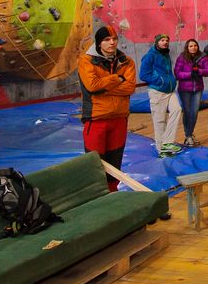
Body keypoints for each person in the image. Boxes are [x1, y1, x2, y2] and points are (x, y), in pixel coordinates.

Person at [78, 25, 136, 192]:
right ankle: (96, 193)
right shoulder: (86, 61)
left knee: (114, 159)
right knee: (95, 161)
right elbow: (92, 86)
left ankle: (112, 191)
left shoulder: (127, 61)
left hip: (119, 118)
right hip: (96, 118)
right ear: (99, 43)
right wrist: (117, 78)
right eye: (106, 40)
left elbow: (129, 87)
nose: (112, 43)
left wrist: (105, 85)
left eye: (114, 39)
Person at [138, 34, 183, 157]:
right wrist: (160, 80)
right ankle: (162, 150)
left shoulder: (165, 54)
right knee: (159, 120)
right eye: (162, 40)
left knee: (177, 109)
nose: (165, 42)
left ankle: (167, 143)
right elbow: (143, 74)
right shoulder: (150, 56)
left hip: (170, 90)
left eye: (167, 40)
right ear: (157, 42)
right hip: (157, 91)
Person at [174, 39, 208, 148]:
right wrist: (190, 74)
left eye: (195, 45)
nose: (193, 47)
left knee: (194, 112)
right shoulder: (181, 58)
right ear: (187, 47)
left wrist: (199, 71)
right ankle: (188, 135)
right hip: (185, 89)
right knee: (187, 111)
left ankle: (189, 135)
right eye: (191, 46)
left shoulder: (203, 57)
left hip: (197, 89)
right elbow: (177, 73)